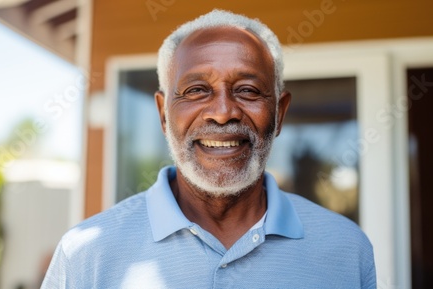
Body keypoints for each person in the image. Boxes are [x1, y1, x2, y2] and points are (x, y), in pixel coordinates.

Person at [41, 9, 376, 288]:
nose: (222, 112)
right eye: (196, 90)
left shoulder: (346, 249)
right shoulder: (87, 253)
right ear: (163, 114)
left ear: (280, 113)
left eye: (247, 90)